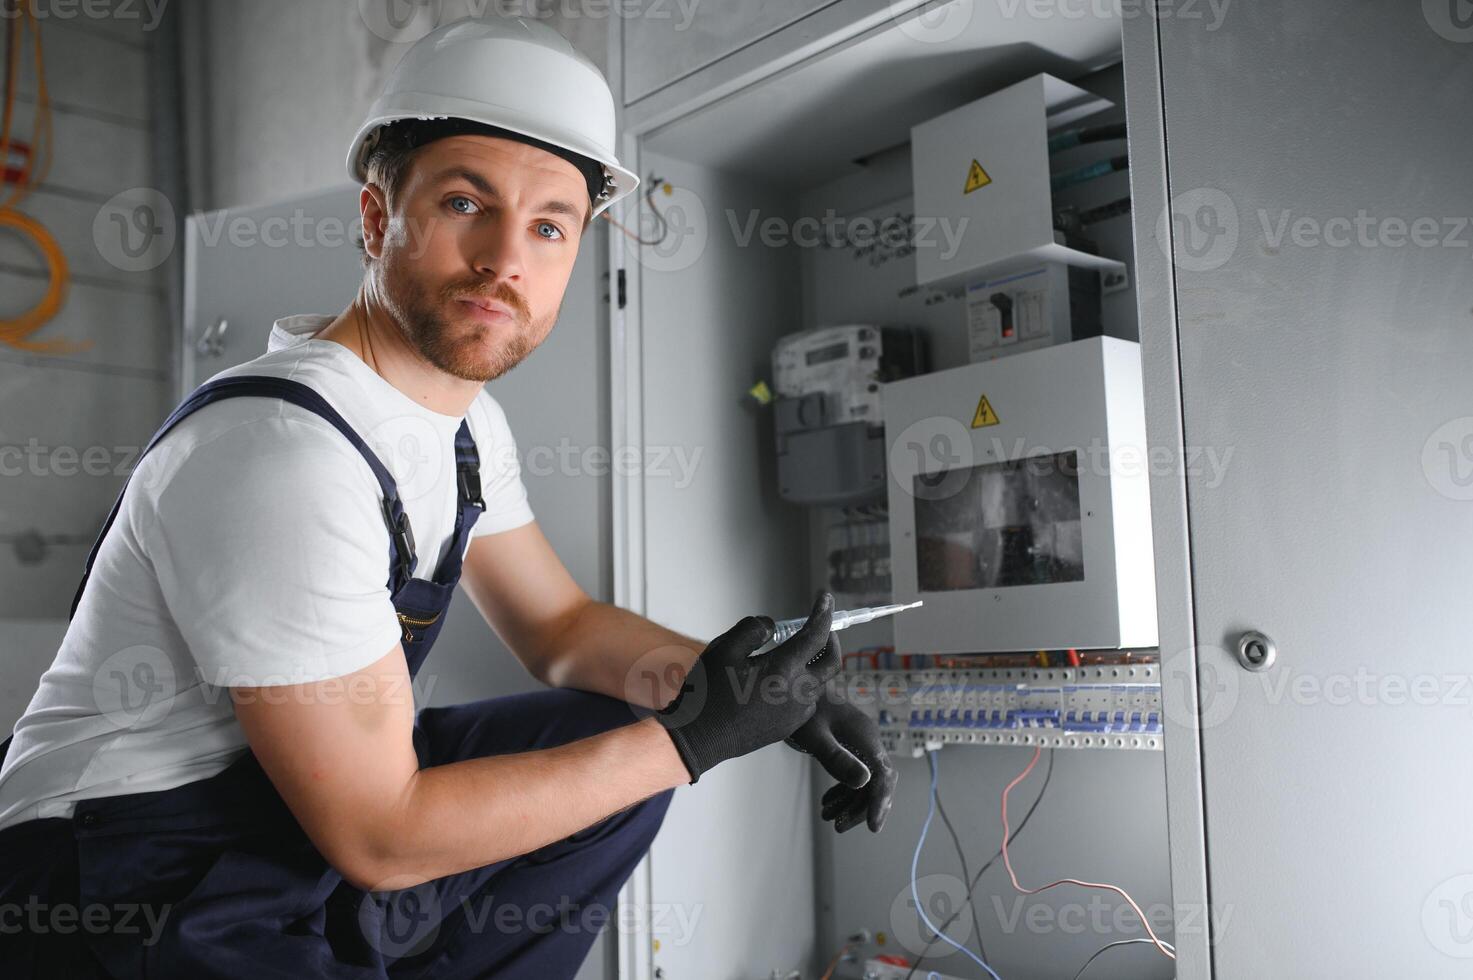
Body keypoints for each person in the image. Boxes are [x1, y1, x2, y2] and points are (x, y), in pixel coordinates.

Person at [0, 14, 895, 979]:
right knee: (632, 756)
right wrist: (693, 741)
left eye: (549, 226)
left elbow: (560, 628)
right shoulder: (283, 455)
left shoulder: (464, 429)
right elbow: (378, 837)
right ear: (379, 218)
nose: (506, 258)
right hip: (116, 867)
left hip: (280, 810)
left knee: (609, 737)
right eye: (467, 203)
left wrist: (756, 690)